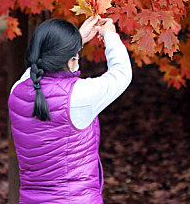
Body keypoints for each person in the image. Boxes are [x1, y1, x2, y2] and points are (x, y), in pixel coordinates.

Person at [8, 16, 132, 203]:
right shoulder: (77, 96)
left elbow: (38, 68)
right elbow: (121, 75)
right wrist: (110, 35)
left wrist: (76, 41)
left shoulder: (17, 91)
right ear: (71, 59)